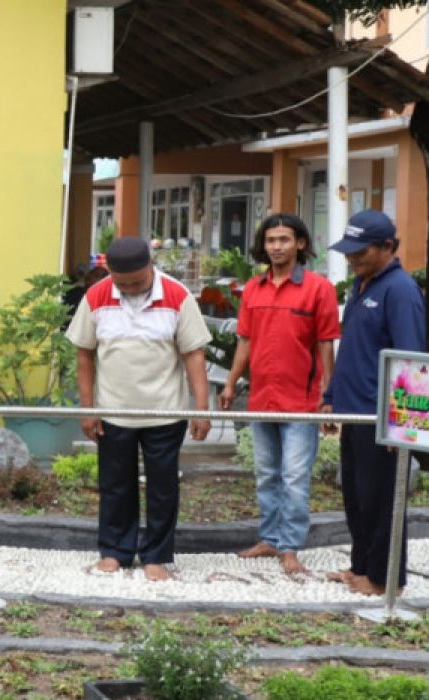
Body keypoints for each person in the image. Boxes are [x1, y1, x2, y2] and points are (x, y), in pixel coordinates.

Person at [66, 236, 212, 581]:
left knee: (163, 487)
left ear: (151, 266)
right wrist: (88, 408)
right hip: (114, 411)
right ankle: (115, 551)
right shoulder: (97, 296)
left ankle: (156, 556)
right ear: (110, 274)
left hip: (165, 412)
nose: (130, 288)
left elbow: (193, 353)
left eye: (138, 281)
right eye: (123, 282)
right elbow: (84, 353)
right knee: (116, 485)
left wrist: (201, 408)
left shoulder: (177, 295)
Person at [219, 213, 340, 575]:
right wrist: (230, 382)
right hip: (261, 399)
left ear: (300, 243)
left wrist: (328, 394)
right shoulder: (253, 288)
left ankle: (290, 547)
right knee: (267, 474)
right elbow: (244, 340)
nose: (277, 247)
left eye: (285, 240)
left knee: (294, 477)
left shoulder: (319, 288)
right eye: (271, 240)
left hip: (302, 403)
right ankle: (270, 539)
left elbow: (326, 344)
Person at [321, 210, 425, 596]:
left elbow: (410, 358)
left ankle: (385, 579)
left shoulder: (400, 290)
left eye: (360, 251)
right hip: (355, 412)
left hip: (382, 415)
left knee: (382, 498)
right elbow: (353, 349)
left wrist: (402, 420)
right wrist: (332, 399)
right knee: (357, 495)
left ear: (387, 247)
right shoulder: (362, 284)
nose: (352, 258)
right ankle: (361, 567)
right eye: (348, 251)